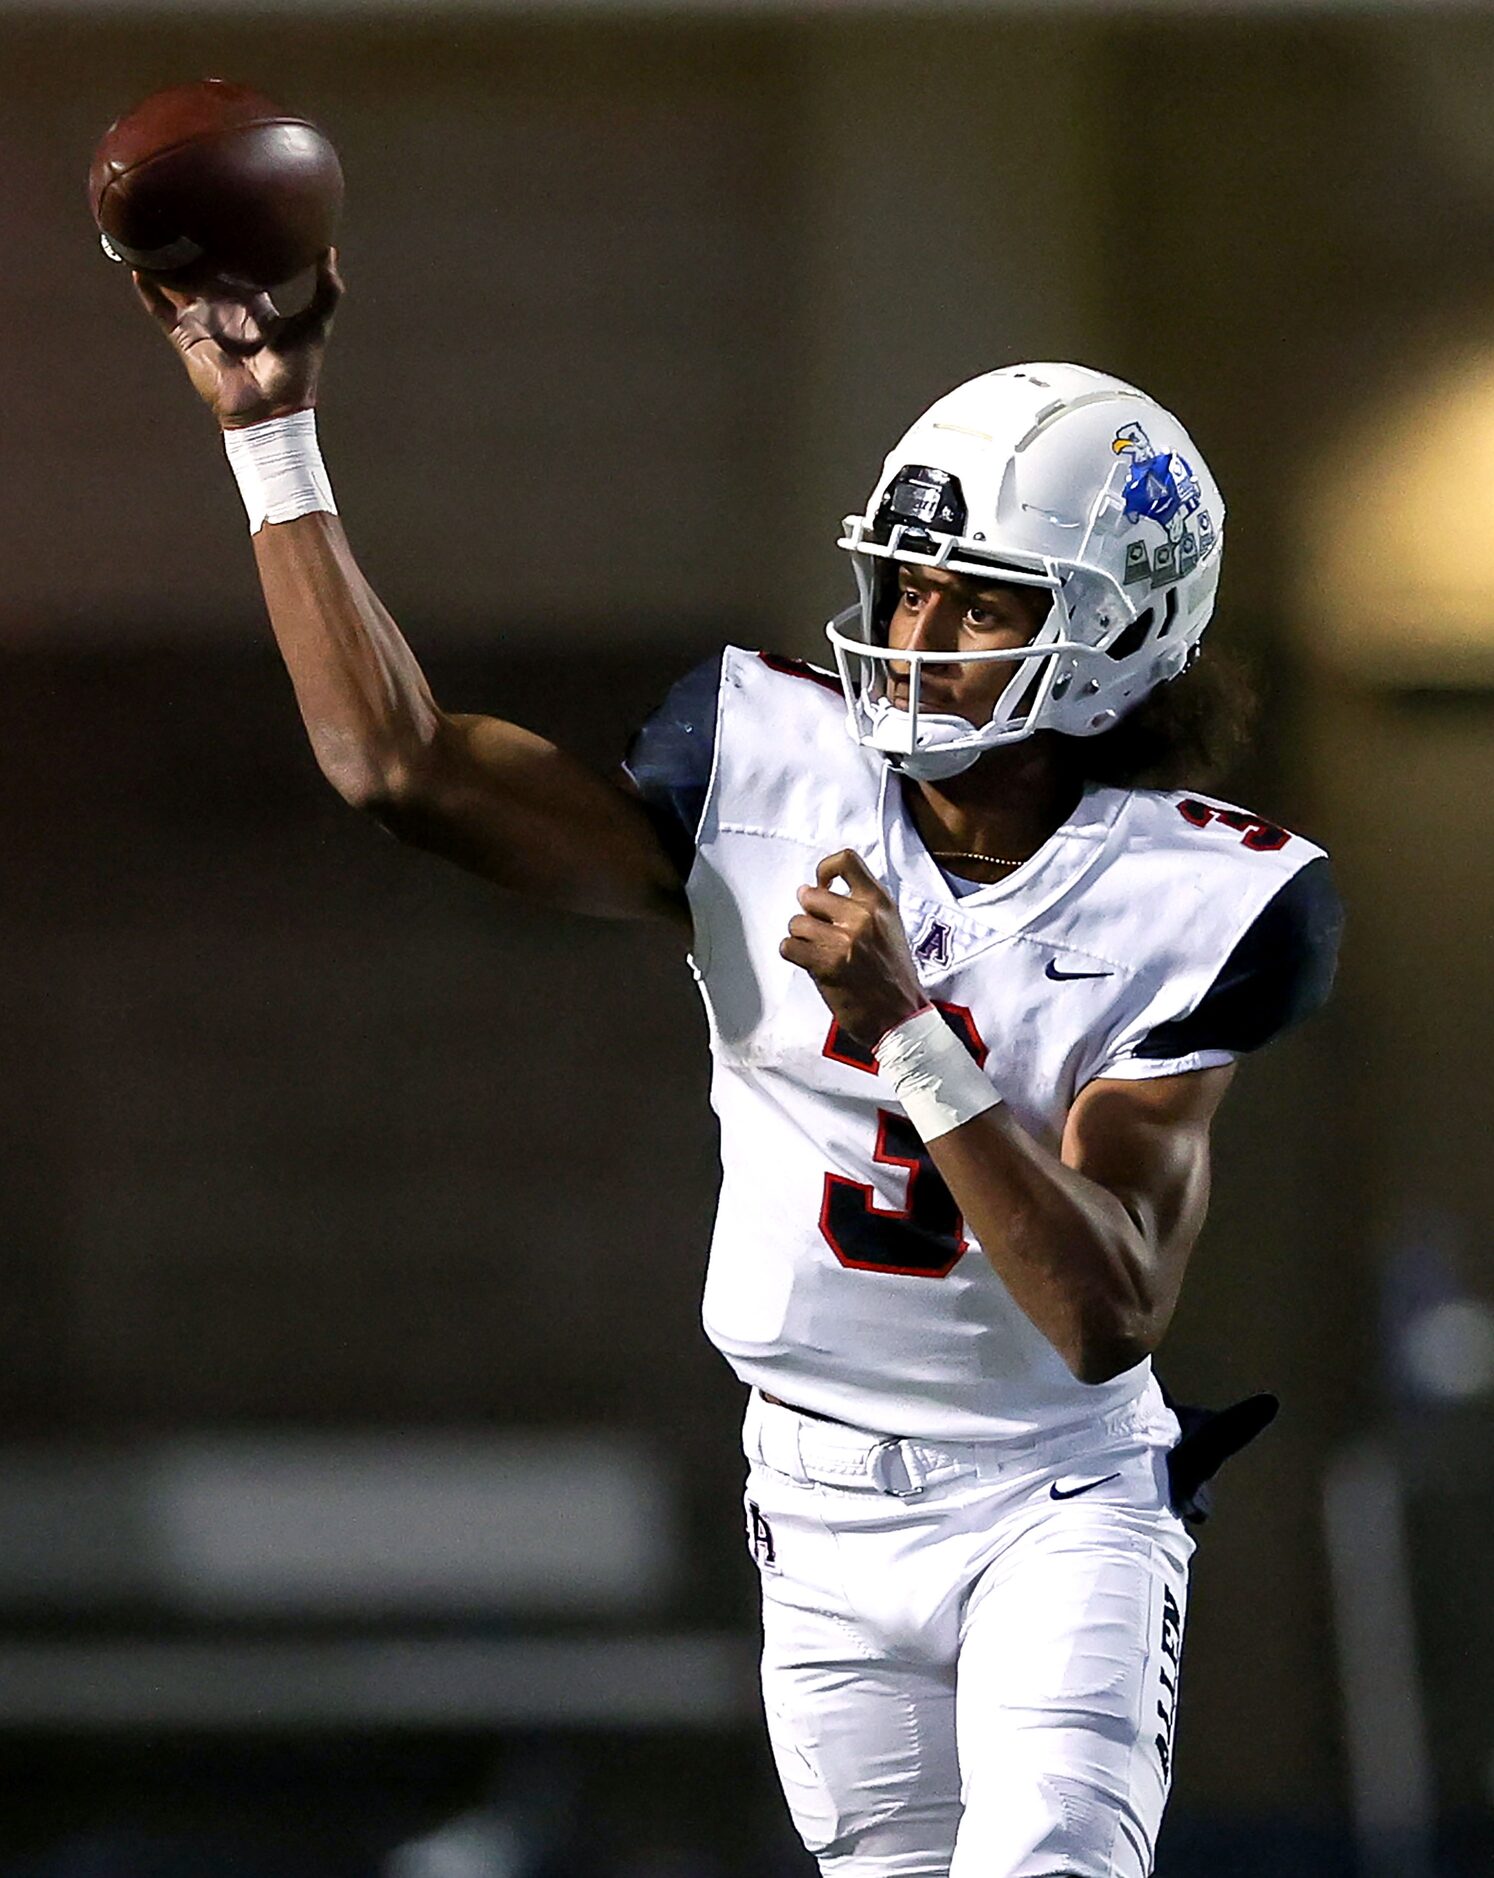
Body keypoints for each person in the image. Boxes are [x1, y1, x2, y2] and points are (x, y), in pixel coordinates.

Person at [130, 256, 1340, 1878]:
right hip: (815, 1496)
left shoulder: (1196, 895)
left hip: (1054, 1500)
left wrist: (906, 1030)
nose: (916, 629)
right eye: (908, 580)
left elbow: (1101, 1310)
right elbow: (396, 764)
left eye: (981, 599)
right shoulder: (763, 759)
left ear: (1119, 630)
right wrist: (272, 438)